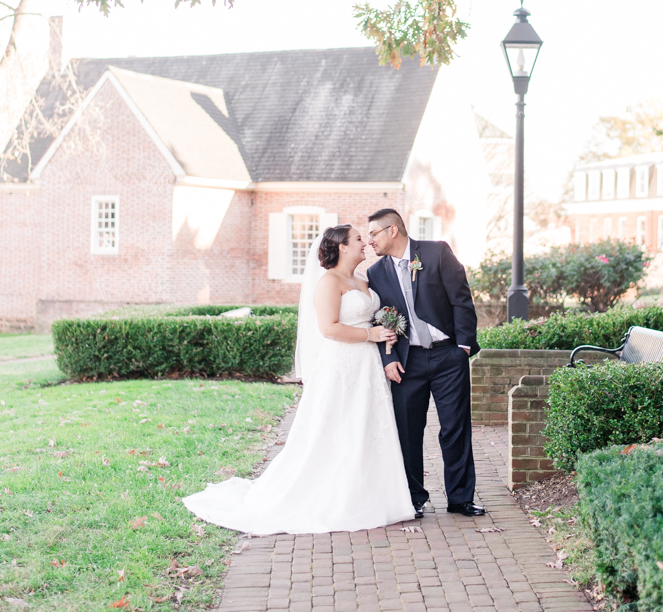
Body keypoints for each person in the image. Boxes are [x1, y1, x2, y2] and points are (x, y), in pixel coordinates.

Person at [182, 224, 415, 534]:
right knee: (334, 430)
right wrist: (369, 334)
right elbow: (329, 328)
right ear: (343, 247)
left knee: (366, 427)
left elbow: (372, 314)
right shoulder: (328, 282)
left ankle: (372, 497)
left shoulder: (361, 278)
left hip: (367, 365)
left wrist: (383, 333)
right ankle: (333, 498)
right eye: (358, 239)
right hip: (342, 366)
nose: (365, 243)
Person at [366, 208, 484, 519]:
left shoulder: (436, 253)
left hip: (448, 356)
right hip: (408, 362)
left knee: (455, 429)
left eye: (374, 234)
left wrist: (462, 348)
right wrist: (389, 359)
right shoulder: (376, 273)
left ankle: (460, 498)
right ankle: (414, 499)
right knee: (408, 432)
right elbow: (379, 320)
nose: (370, 241)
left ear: (393, 230)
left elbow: (462, 300)